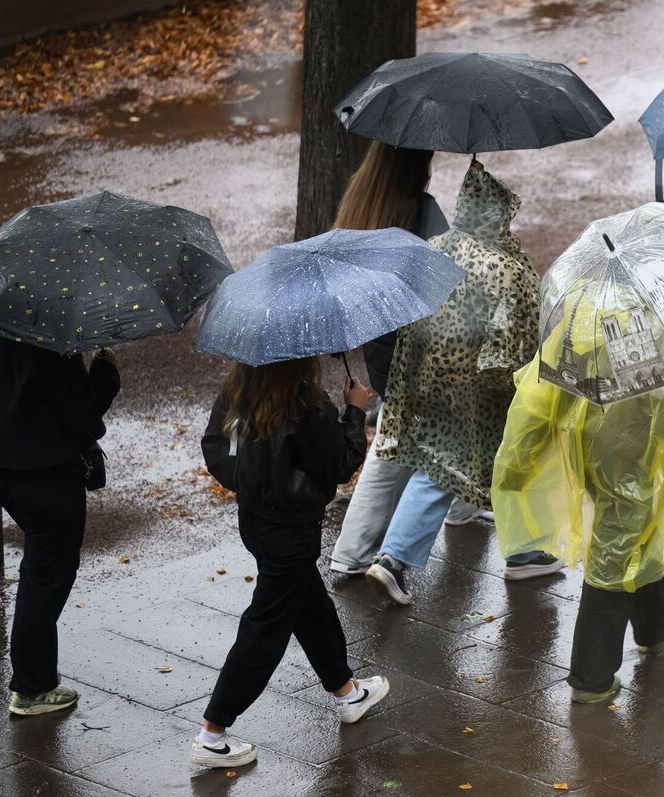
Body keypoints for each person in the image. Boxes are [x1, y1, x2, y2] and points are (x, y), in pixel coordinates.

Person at [363, 159, 561, 602]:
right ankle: (518, 555)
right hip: (482, 388)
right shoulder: (507, 267)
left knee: (441, 463)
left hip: (430, 378)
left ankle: (398, 557)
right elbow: (518, 334)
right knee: (507, 461)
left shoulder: (435, 248)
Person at [492, 299, 664, 703]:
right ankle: (591, 678)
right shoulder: (650, 324)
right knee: (615, 549)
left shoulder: (576, 315)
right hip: (631, 457)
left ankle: (656, 626)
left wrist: (518, 461)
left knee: (635, 533)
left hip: (583, 451)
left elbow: (539, 393)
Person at [194, 358, 388, 768]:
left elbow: (215, 448)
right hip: (293, 532)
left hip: (257, 523)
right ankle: (212, 734)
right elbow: (339, 465)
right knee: (265, 630)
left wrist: (253, 483)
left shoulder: (239, 388)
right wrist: (354, 410)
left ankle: (347, 692)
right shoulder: (308, 404)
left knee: (310, 607)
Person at [327, 142, 487, 576]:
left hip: (381, 352)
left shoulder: (359, 207)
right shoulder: (422, 211)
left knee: (398, 441)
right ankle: (388, 553)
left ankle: (352, 553)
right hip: (419, 352)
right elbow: (447, 280)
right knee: (439, 436)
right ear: (419, 164)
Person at [0, 338, 120, 716]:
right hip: (45, 474)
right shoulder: (49, 339)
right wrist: (106, 375)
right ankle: (33, 687)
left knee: (42, 568)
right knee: (46, 574)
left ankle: (35, 676)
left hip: (2, 468)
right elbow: (82, 415)